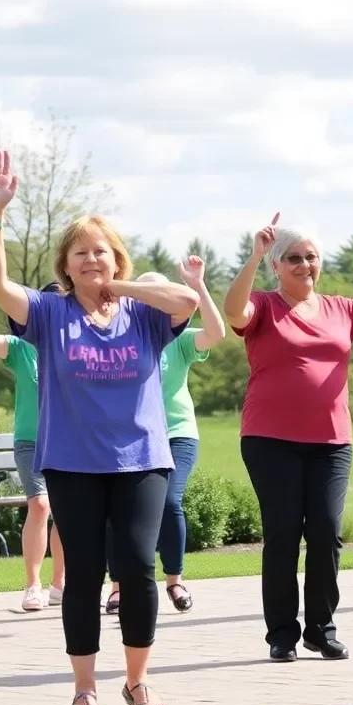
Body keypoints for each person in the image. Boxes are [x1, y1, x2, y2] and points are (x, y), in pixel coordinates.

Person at [0, 149, 198, 705]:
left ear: (116, 257)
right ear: (66, 265)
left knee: (137, 567)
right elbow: (0, 285)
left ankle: (137, 681)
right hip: (73, 462)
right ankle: (84, 687)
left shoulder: (143, 313)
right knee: (82, 574)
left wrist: (123, 287)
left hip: (142, 460)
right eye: (81, 253)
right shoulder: (49, 314)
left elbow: (189, 301)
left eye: (101, 250)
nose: (91, 259)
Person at [224, 216, 353, 662]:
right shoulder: (264, 305)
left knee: (326, 531)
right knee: (284, 533)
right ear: (276, 265)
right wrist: (253, 255)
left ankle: (321, 628)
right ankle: (282, 634)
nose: (305, 265)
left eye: (312, 257)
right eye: (294, 258)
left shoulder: (341, 309)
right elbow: (234, 312)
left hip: (331, 442)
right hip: (269, 439)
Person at [104, 258, 225, 614]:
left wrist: (198, 287)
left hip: (176, 433)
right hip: (130, 435)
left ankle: (174, 580)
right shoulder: (121, 336)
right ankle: (118, 587)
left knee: (170, 502)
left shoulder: (182, 339)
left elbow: (216, 333)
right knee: (117, 512)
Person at [0, 264, 66, 611]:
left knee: (67, 512)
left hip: (71, 440)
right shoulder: (20, 347)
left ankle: (60, 585)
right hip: (31, 439)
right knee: (40, 504)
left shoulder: (78, 347)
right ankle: (33, 585)